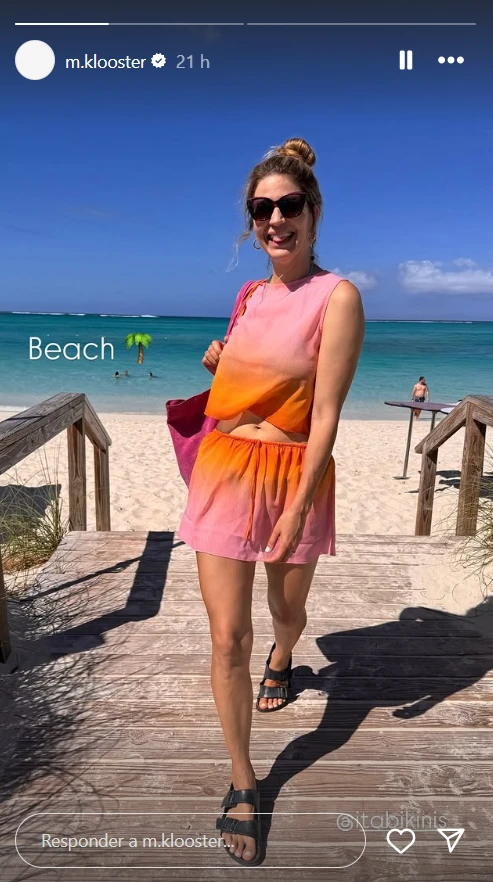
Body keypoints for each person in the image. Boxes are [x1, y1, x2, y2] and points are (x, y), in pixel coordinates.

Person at [176, 137, 365, 865]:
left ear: (313, 212)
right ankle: (244, 779)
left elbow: (326, 414)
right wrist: (217, 361)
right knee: (227, 637)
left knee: (286, 612)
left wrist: (296, 505)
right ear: (251, 221)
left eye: (288, 206)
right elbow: (245, 369)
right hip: (226, 466)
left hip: (292, 475)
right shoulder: (249, 296)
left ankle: (286, 654)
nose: (275, 220)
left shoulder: (337, 297)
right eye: (262, 209)